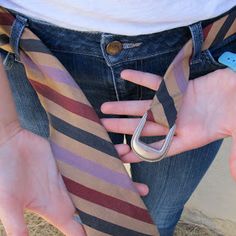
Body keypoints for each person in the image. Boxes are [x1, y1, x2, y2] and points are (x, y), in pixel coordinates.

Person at [0, 1, 235, 235]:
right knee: (76, 210)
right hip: (34, 49)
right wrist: (4, 134)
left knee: (160, 214)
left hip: (206, 46)